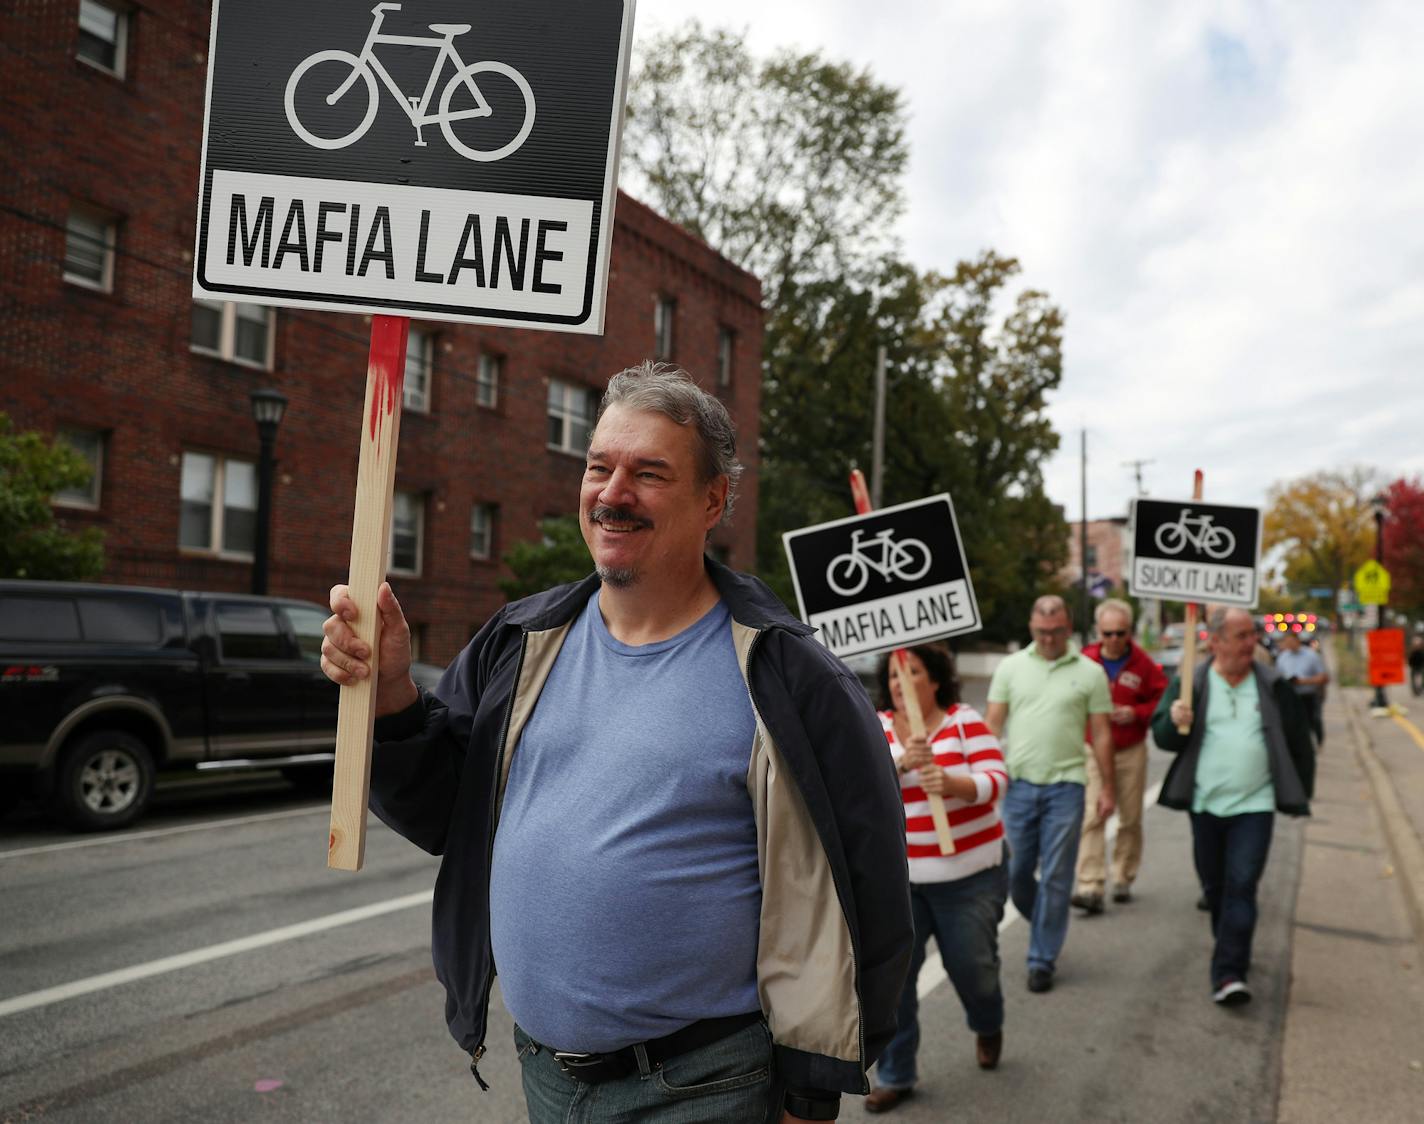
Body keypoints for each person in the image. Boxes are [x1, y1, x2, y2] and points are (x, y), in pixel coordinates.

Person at [319, 362, 913, 1123]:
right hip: (545, 1075)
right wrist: (394, 694)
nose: (612, 492)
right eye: (599, 466)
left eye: (649, 473)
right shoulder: (519, 642)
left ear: (713, 500)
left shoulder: (792, 678)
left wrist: (808, 1094)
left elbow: (868, 894)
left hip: (707, 1087)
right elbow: (443, 815)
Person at [864, 644, 1010, 1113]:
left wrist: (953, 783)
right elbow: (857, 788)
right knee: (895, 986)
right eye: (892, 675)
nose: (900, 683)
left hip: (968, 877)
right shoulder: (875, 727)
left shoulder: (963, 720)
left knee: (974, 970)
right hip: (898, 884)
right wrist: (902, 763)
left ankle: (988, 1023)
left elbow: (997, 779)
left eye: (912, 672)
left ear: (934, 679)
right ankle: (897, 1074)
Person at [1151, 606, 1315, 1006]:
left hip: (1254, 805)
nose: (1251, 643)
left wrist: (1299, 794)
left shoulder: (1273, 685)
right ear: (1216, 640)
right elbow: (1162, 738)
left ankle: (1228, 973)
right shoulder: (1193, 682)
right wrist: (1175, 720)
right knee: (1217, 887)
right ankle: (1229, 944)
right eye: (1241, 636)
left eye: (1252, 635)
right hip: (1205, 804)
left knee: (1242, 885)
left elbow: (1299, 743)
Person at [985, 596, 1115, 993]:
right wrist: (981, 777)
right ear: (1030, 627)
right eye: (1042, 632)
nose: (1049, 639)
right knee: (1016, 872)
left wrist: (1107, 786)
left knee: (1058, 875)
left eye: (1056, 632)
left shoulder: (1091, 673)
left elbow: (1103, 732)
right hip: (1020, 785)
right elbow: (992, 726)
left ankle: (1041, 959)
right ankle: (1048, 919)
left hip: (1068, 786)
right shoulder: (1010, 668)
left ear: (1068, 627)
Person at [1070, 599, 1168, 914]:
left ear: (1129, 632)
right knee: (1093, 814)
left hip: (1130, 748)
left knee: (1130, 817)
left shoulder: (1142, 664)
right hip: (1092, 749)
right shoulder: (1085, 660)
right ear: (1099, 631)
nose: (1113, 639)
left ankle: (1123, 875)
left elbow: (1162, 699)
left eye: (1120, 633)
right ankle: (1090, 884)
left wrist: (1136, 713)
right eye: (1108, 633)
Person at [1273, 629, 1328, 745]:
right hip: (1291, 696)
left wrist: (1304, 681)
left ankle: (1318, 741)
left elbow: (1323, 677)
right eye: (1286, 642)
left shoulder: (1311, 655)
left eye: (1291, 641)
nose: (1289, 645)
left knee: (1313, 721)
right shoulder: (1283, 657)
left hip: (1308, 695)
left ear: (1297, 640)